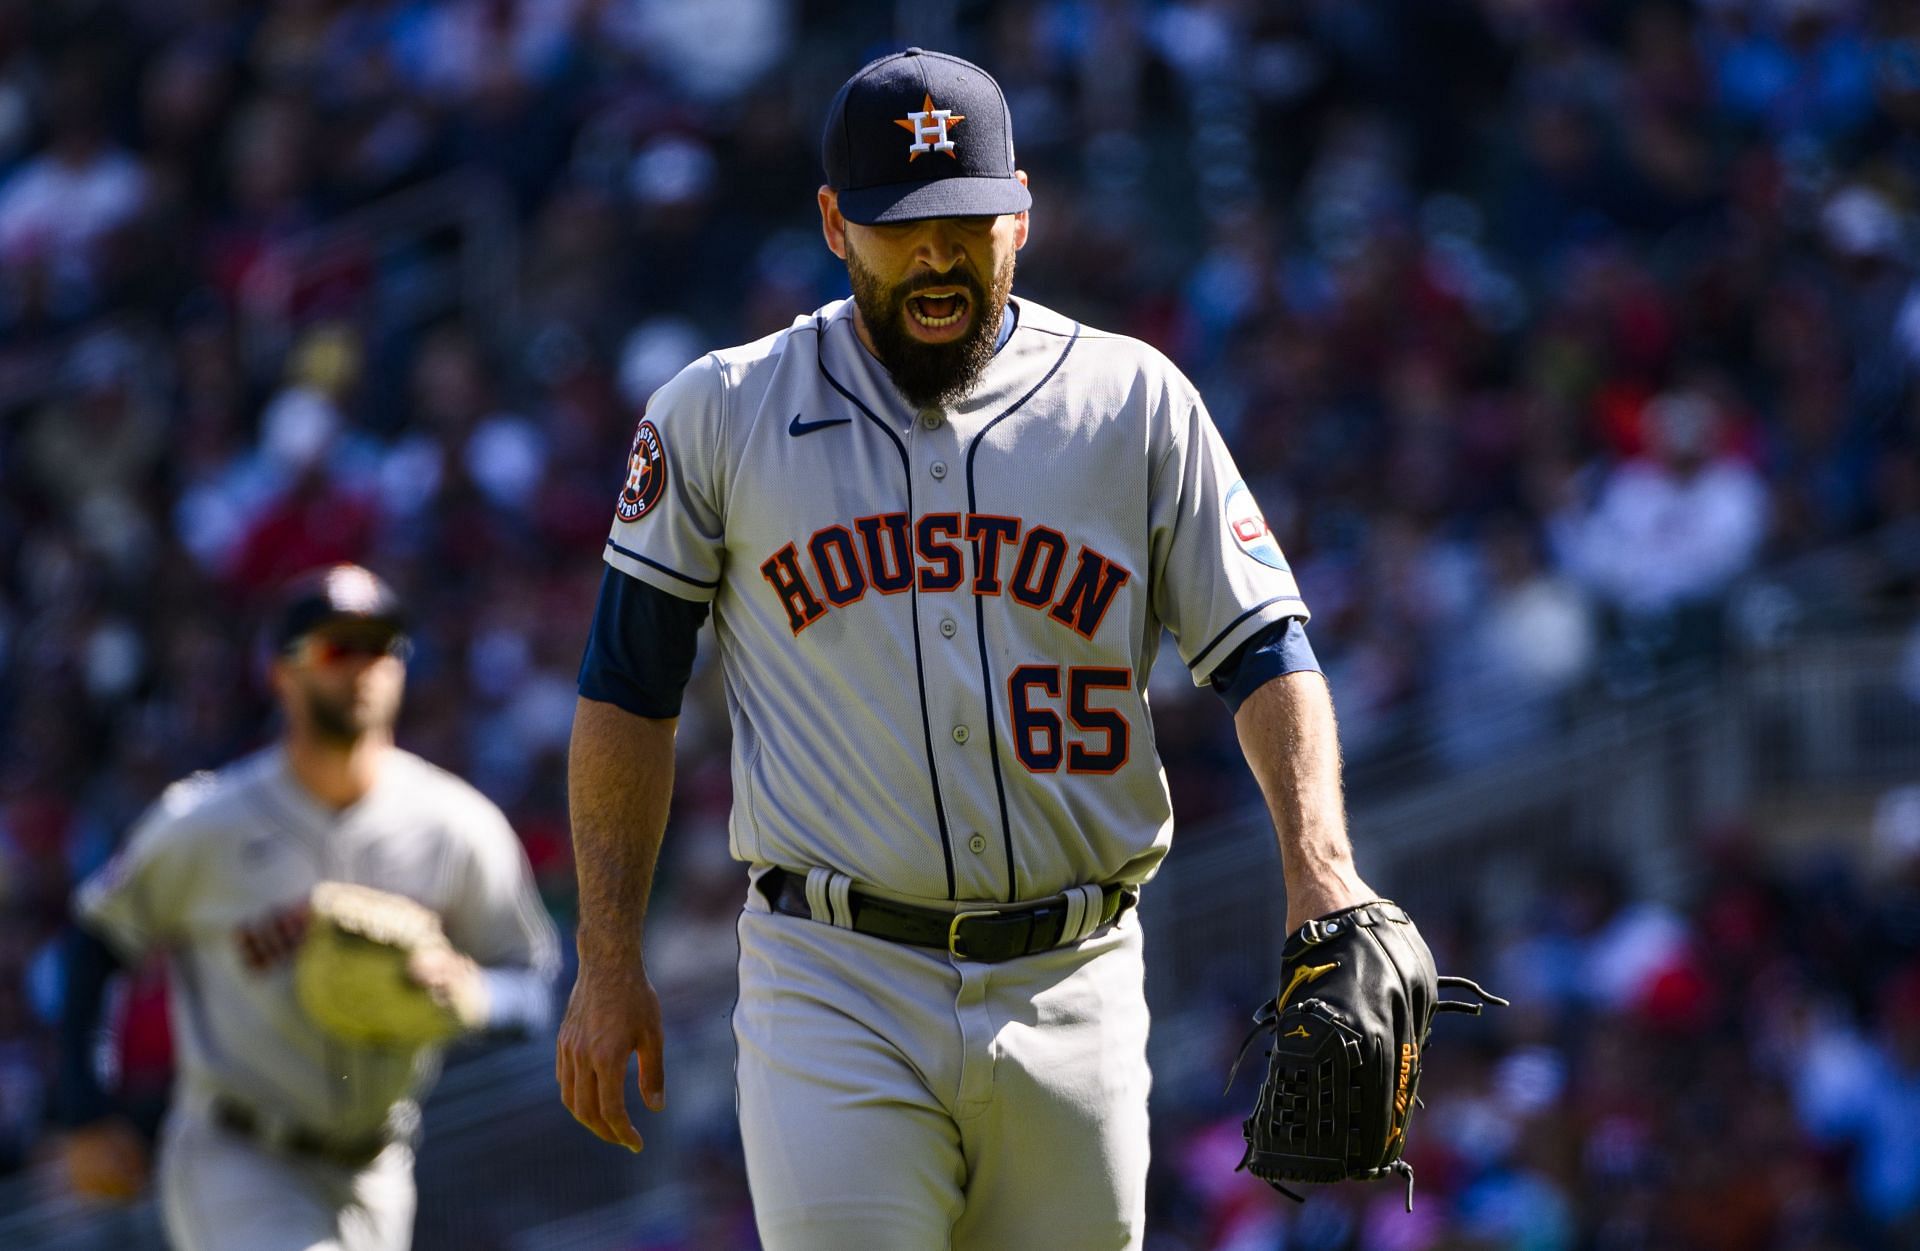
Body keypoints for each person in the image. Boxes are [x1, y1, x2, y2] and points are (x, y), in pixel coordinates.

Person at [557, 48, 1375, 1248]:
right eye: (902, 228)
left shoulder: (1132, 401)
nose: (938, 257)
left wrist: (1322, 870)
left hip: (1076, 974)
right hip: (836, 980)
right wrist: (607, 953)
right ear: (836, 224)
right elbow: (627, 691)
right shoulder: (721, 411)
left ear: (1023, 215)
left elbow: (1264, 646)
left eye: (967, 221)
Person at [59, 562, 560, 1251]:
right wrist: (86, 1107)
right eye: (334, 647)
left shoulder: (457, 825)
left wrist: (475, 995)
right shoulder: (205, 823)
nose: (359, 667)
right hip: (238, 1155)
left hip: (379, 1165)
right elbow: (97, 941)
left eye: (379, 645)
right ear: (281, 672)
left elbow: (532, 984)